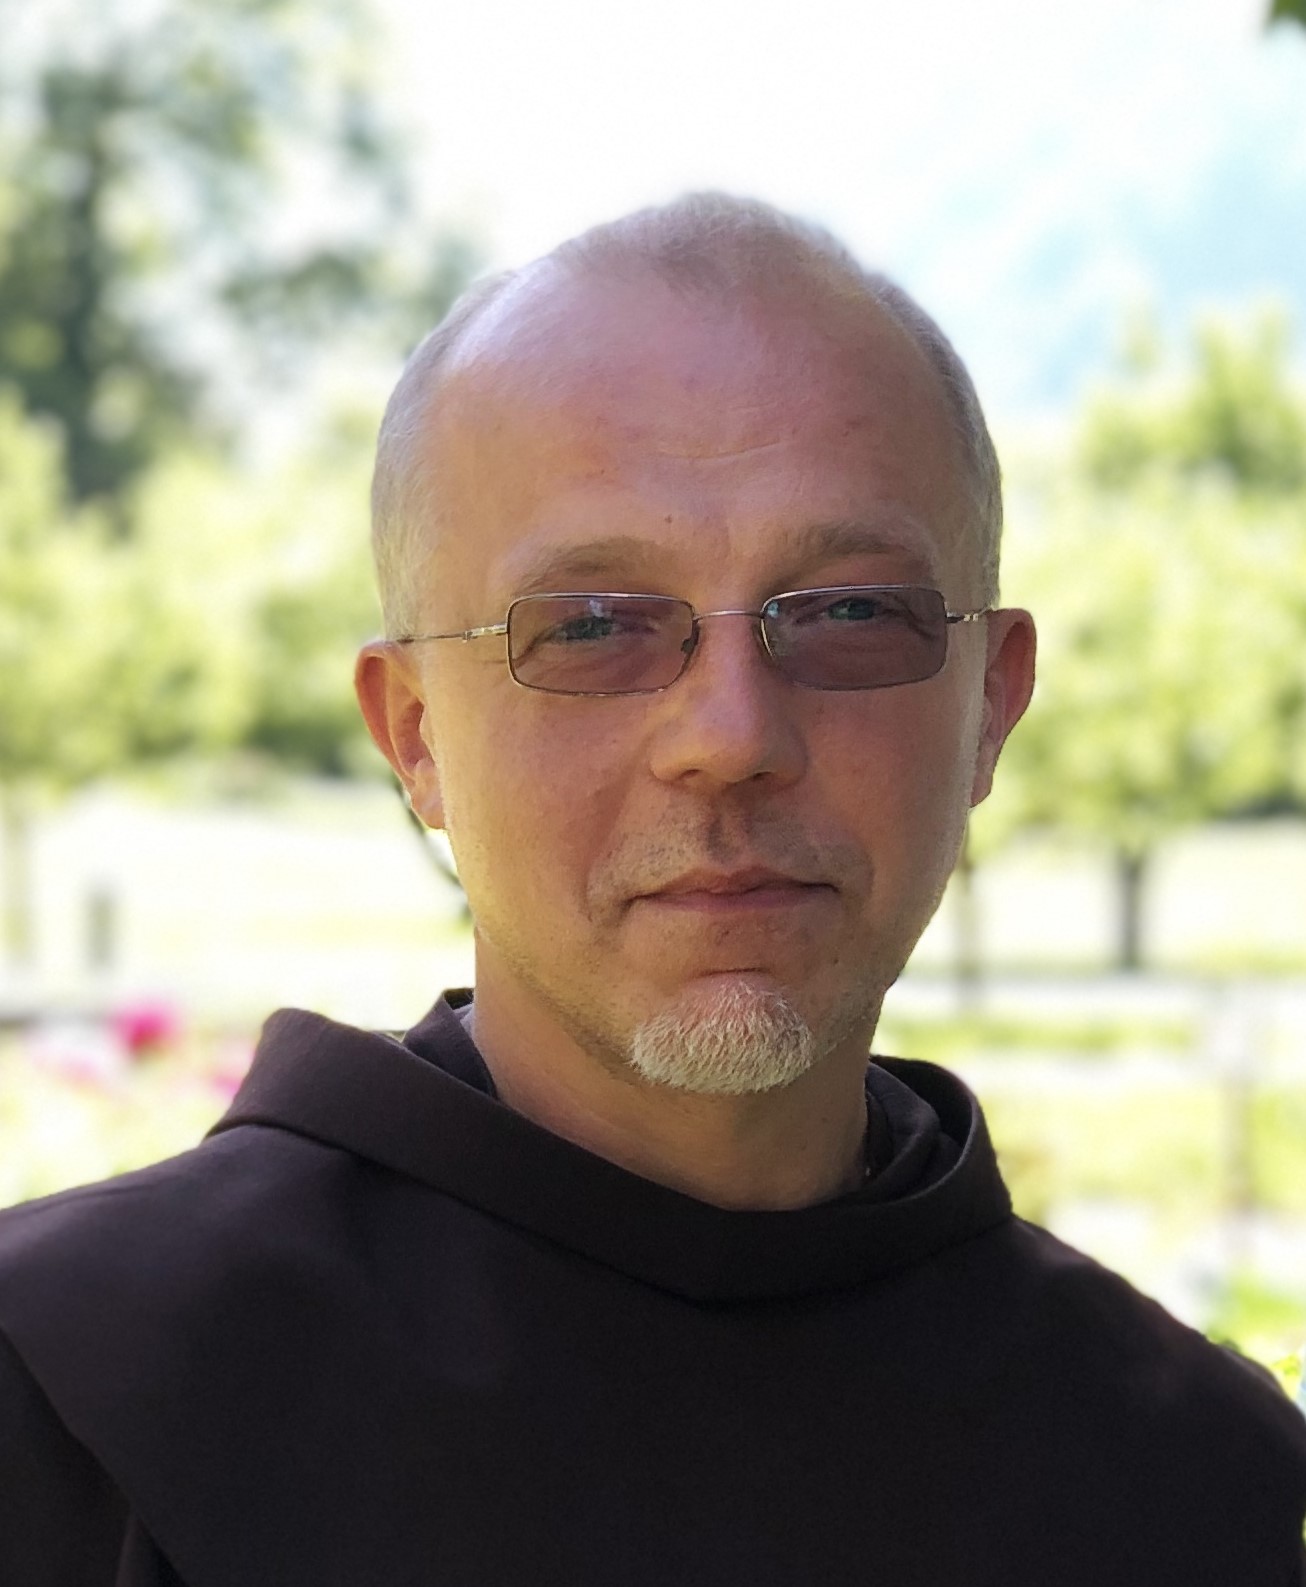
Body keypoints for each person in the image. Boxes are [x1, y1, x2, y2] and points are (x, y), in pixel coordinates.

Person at [1, 193, 1303, 1586]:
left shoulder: (1186, 1481)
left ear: (989, 703)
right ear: (417, 735)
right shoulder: (65, 1400)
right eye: (591, 628)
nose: (730, 737)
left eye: (849, 611)